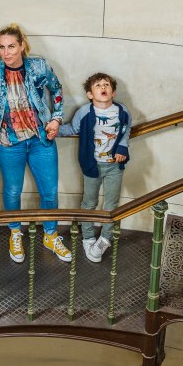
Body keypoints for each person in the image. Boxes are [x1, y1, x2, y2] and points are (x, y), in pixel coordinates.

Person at [0, 25, 70, 264]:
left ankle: (50, 234)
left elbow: (56, 90)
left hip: (40, 139)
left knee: (49, 191)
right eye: (2, 46)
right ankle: (15, 232)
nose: (6, 52)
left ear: (21, 46)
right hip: (7, 142)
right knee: (12, 190)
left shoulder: (39, 66)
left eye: (11, 46)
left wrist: (57, 119)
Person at [59, 72, 131, 263]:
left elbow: (126, 129)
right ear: (90, 94)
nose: (103, 88)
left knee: (111, 205)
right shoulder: (84, 112)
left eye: (106, 85)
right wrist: (53, 129)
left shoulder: (122, 111)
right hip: (92, 165)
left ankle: (105, 239)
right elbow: (72, 129)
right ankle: (88, 236)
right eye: (98, 85)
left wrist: (123, 146)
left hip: (114, 166)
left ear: (113, 92)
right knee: (89, 203)